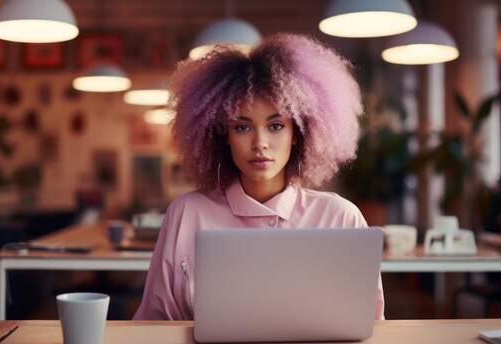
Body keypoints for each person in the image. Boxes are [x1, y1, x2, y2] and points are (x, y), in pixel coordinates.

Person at [133, 33, 385, 320]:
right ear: (223, 136)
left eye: (276, 125)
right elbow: (155, 321)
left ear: (297, 134)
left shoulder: (340, 218)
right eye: (242, 127)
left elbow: (369, 327)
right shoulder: (187, 213)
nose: (260, 143)